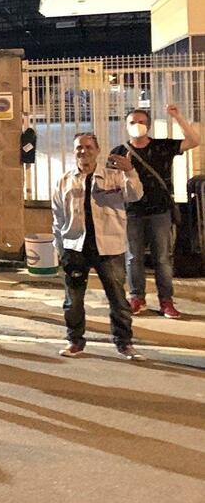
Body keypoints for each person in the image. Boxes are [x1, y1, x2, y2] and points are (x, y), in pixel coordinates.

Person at [51, 133, 144, 360]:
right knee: (73, 300)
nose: (84, 151)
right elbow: (58, 216)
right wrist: (59, 247)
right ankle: (75, 341)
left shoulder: (114, 176)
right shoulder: (65, 180)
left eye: (88, 147)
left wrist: (130, 170)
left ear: (98, 149)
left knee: (117, 299)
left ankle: (124, 343)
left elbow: (135, 194)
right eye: (79, 148)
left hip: (109, 247)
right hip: (75, 247)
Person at [111, 104, 198, 319]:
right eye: (132, 122)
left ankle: (166, 301)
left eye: (141, 122)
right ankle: (137, 298)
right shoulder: (119, 152)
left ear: (148, 126)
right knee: (133, 258)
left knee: (162, 258)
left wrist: (177, 116)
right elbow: (112, 184)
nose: (136, 126)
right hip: (131, 211)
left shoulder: (162, 146)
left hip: (159, 211)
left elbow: (195, 141)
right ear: (125, 126)